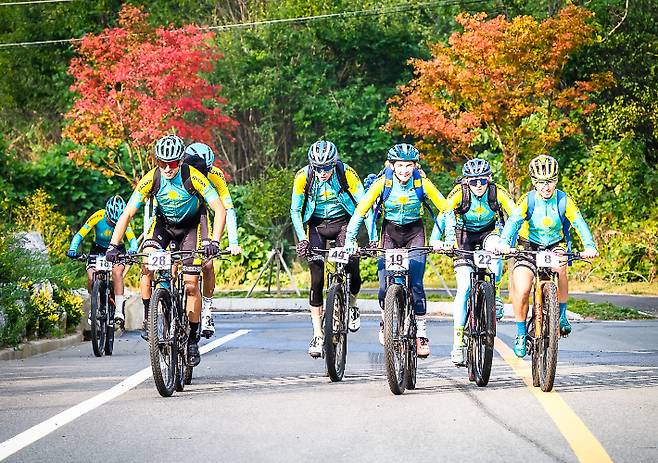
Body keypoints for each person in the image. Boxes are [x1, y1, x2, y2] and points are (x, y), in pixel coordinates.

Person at [106, 134, 227, 367]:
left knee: (191, 284)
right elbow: (128, 212)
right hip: (163, 226)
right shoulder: (152, 178)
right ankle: (149, 317)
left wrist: (215, 240)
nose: (168, 168)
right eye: (163, 163)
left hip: (191, 228)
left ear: (180, 161)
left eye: (172, 163)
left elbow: (218, 209)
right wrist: (114, 244)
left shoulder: (194, 177)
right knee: (148, 264)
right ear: (157, 161)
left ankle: (192, 340)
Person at [344, 143, 455, 358]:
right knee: (385, 284)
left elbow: (447, 209)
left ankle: (421, 333)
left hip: (415, 232)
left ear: (415, 166)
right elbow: (360, 211)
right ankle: (386, 320)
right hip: (390, 232)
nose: (404, 170)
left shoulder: (421, 182)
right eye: (400, 166)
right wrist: (350, 239)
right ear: (392, 165)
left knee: (415, 283)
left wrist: (449, 238)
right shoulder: (382, 183)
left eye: (408, 166)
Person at [496, 154, 599, 357]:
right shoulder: (527, 200)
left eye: (550, 182)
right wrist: (504, 244)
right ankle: (520, 333)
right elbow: (513, 222)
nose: (546, 187)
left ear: (556, 180)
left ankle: (560, 315)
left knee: (560, 267)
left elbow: (579, 222)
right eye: (541, 182)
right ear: (534, 182)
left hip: (555, 244)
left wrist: (589, 245)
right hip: (528, 246)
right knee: (523, 287)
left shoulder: (563, 199)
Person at [290, 140, 377, 358]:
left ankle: (353, 304)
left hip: (344, 223)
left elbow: (365, 206)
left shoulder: (347, 173)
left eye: (327, 167)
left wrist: (373, 239)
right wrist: (302, 239)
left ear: (334, 163)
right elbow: (295, 210)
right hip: (317, 225)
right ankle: (318, 333)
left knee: (352, 268)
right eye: (318, 168)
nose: (322, 173)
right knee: (317, 278)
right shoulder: (303, 176)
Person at [443, 158, 517, 365]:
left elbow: (515, 215)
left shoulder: (497, 192)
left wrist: (508, 241)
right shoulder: (460, 192)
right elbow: (445, 213)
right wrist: (445, 239)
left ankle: (497, 294)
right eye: (473, 181)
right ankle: (457, 344)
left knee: (496, 252)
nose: (478, 186)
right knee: (465, 286)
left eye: (482, 181)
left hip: (488, 233)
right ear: (466, 181)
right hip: (463, 236)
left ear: (489, 179)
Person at [185, 142, 242, 338]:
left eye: (206, 169)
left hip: (202, 216)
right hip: (180, 218)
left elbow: (228, 209)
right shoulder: (178, 173)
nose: (203, 173)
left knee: (207, 264)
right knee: (173, 264)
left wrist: (233, 242)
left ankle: (207, 310)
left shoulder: (215, 175)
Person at [67, 195, 138, 323]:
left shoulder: (123, 219)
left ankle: (118, 311)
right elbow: (80, 234)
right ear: (106, 214)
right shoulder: (98, 215)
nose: (113, 224)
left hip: (117, 250)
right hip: (98, 250)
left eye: (116, 223)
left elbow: (132, 239)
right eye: (111, 221)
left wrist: (133, 249)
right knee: (92, 277)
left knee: (117, 273)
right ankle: (94, 307)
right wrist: (73, 248)